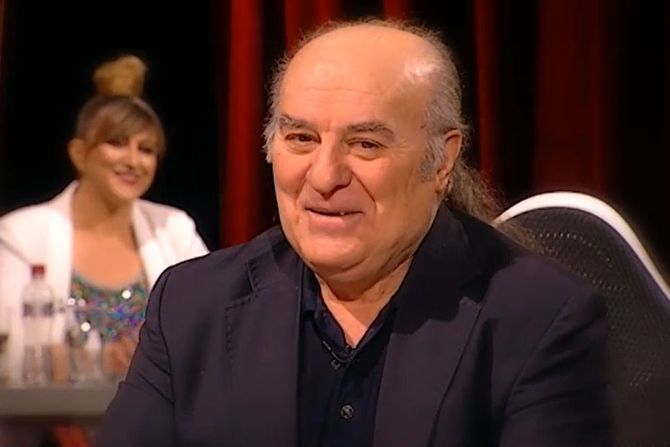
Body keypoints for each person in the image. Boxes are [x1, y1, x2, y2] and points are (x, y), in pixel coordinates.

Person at [96, 19, 610, 447]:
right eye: (301, 138)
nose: (324, 177)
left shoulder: (539, 318)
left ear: (442, 160)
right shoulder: (190, 306)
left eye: (366, 144)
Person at [0, 54, 209, 384]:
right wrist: (100, 360)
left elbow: (211, 330)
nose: (133, 160)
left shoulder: (175, 230)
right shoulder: (22, 234)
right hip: (50, 416)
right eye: (116, 143)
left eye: (146, 149)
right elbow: (12, 353)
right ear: (79, 153)